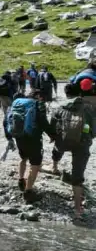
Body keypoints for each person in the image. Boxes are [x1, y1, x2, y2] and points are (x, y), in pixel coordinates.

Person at [49, 82, 94, 221]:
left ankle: (55, 167)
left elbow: (52, 125)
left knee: (57, 149)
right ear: (79, 93)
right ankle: (78, 209)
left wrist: (55, 137)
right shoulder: (89, 108)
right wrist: (89, 137)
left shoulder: (60, 107)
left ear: (66, 94)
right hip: (82, 144)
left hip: (63, 142)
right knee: (77, 177)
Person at [6, 90, 56, 203]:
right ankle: (28, 192)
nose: (42, 100)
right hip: (32, 138)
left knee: (23, 158)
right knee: (35, 164)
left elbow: (7, 119)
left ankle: (21, 180)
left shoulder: (18, 102)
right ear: (38, 96)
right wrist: (52, 135)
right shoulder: (36, 104)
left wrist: (9, 137)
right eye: (42, 98)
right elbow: (43, 122)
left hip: (19, 136)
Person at [0, 71, 17, 151]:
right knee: (12, 112)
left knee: (5, 111)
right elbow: (14, 89)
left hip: (0, 96)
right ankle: (11, 125)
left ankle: (6, 121)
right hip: (9, 97)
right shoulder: (10, 79)